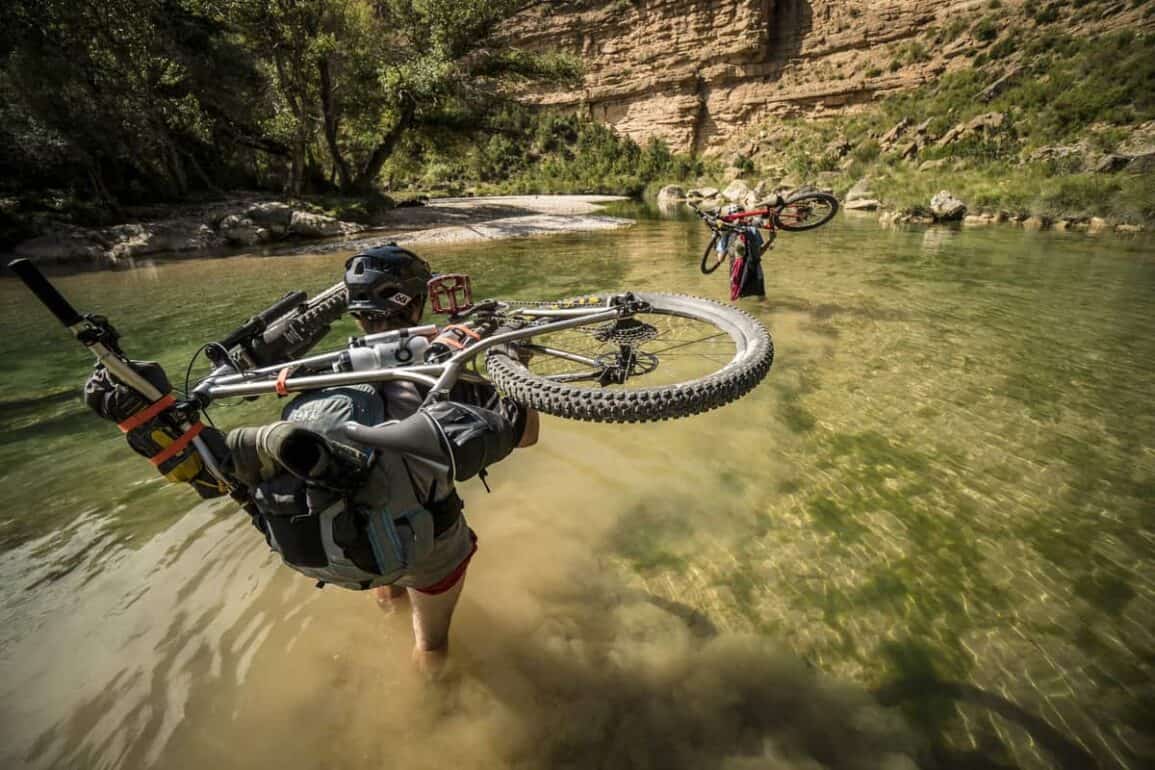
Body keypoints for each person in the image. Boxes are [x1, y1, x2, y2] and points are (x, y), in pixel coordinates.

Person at [235, 243, 538, 671]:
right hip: (427, 543)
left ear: (355, 311)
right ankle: (435, 711)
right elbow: (526, 436)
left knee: (378, 534)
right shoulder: (443, 372)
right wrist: (517, 365)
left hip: (354, 542)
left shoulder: (321, 374)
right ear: (415, 305)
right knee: (432, 646)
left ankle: (389, 600)